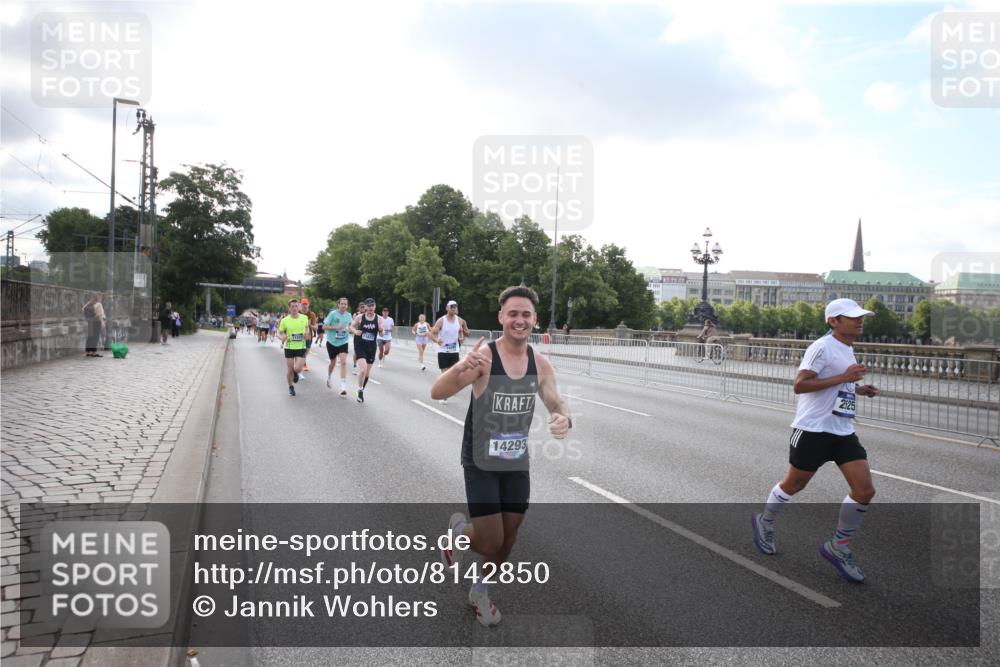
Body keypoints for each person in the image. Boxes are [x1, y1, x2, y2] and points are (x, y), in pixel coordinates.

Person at [432, 285, 571, 627]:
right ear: (501, 318)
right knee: (490, 539)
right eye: (513, 314)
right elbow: (437, 392)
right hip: (480, 460)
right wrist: (461, 366)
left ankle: (480, 591)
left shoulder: (540, 363)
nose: (519, 320)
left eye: (526, 314)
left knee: (508, 541)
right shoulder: (485, 358)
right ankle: (461, 533)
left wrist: (562, 417)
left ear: (535, 320)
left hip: (515, 462)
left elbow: (555, 400)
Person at [751, 298, 881, 583]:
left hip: (842, 430)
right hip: (812, 430)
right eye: (852, 317)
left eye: (861, 317)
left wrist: (857, 389)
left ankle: (839, 546)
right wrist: (844, 377)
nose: (859, 321)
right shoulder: (821, 347)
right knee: (795, 485)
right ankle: (765, 521)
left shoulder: (846, 348)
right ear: (833, 320)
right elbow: (800, 384)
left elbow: (836, 382)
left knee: (864, 490)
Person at [429, 300, 470, 404]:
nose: (454, 308)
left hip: (454, 350)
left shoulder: (460, 320)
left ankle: (445, 389)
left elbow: (466, 331)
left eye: (455, 306)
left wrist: (462, 337)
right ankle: (444, 395)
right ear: (447, 308)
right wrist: (437, 340)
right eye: (451, 307)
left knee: (455, 374)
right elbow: (431, 334)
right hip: (443, 350)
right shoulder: (441, 321)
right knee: (445, 373)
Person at [348, 298, 383, 403]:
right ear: (365, 307)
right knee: (363, 370)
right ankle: (360, 389)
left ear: (375, 307)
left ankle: (361, 390)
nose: (370, 308)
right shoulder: (360, 317)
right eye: (368, 306)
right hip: (360, 345)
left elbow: (381, 333)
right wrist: (355, 331)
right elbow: (351, 327)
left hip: (371, 347)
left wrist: (381, 331)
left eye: (372, 306)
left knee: (367, 373)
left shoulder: (379, 319)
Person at [277, 299, 310, 397]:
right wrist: (281, 337)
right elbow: (278, 332)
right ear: (289, 308)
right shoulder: (285, 320)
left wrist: (306, 333)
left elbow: (307, 327)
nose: (294, 308)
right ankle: (290, 387)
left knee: (299, 368)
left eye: (296, 306)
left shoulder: (304, 318)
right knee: (290, 369)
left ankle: (296, 373)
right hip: (289, 347)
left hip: (301, 346)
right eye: (292, 306)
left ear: (299, 307)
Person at [323, 297, 353, 396]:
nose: (344, 305)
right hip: (332, 342)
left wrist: (351, 330)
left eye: (345, 304)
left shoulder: (349, 315)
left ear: (347, 306)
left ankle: (343, 387)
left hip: (343, 341)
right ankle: (329, 376)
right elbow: (324, 327)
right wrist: (336, 327)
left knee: (343, 362)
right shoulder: (332, 314)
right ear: (338, 305)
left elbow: (350, 326)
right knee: (333, 362)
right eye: (342, 304)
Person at [83, 292, 106, 357]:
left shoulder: (89, 303)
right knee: (95, 337)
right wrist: (103, 323)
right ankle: (93, 352)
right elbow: (100, 315)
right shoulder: (99, 304)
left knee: (90, 337)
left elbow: (83, 309)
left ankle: (88, 352)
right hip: (97, 322)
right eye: (101, 297)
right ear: (99, 298)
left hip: (90, 322)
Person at [301, 298, 318, 373]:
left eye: (306, 304)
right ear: (301, 305)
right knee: (300, 351)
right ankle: (303, 364)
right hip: (299, 336)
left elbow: (315, 327)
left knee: (307, 350)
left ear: (308, 305)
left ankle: (302, 361)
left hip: (308, 336)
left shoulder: (312, 314)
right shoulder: (297, 313)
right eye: (303, 304)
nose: (305, 306)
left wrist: (309, 325)